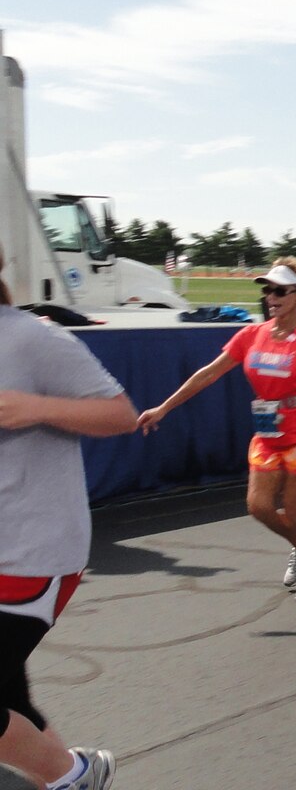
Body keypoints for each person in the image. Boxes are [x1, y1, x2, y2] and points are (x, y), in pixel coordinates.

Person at [138, 257, 296, 602]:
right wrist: (163, 408)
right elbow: (208, 374)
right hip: (268, 433)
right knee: (258, 507)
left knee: (292, 509)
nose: (270, 297)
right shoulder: (250, 335)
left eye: (279, 291)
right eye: (267, 290)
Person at [0, 246, 137, 790]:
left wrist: (36, 407)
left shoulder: (30, 338)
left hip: (32, 552)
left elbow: (121, 414)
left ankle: (73, 776)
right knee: (10, 696)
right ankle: (70, 773)